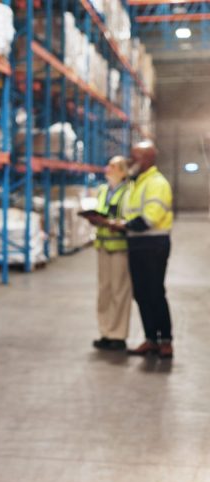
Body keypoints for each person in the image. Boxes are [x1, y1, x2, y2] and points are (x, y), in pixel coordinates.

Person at [99, 140, 174, 360]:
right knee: (141, 294)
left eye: (136, 157)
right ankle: (151, 339)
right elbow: (130, 213)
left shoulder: (157, 183)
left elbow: (150, 218)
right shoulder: (137, 183)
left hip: (153, 244)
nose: (131, 161)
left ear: (149, 158)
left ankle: (166, 341)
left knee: (155, 293)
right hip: (136, 243)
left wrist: (120, 225)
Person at [90, 156, 131, 351]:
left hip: (120, 247)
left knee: (119, 290)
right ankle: (105, 331)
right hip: (103, 245)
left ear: (122, 171)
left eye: (113, 166)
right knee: (104, 290)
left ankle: (118, 334)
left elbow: (130, 217)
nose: (108, 169)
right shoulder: (103, 190)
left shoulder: (128, 191)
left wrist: (114, 223)